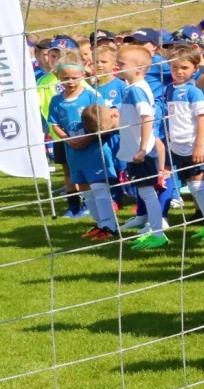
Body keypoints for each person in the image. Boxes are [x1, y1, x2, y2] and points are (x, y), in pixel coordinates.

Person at [48, 55, 118, 240]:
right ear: (58, 77)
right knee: (85, 189)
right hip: (73, 151)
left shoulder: (92, 96)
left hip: (94, 150)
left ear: (82, 75)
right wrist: (67, 139)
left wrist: (88, 138)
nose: (70, 81)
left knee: (99, 187)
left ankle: (110, 227)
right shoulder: (56, 100)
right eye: (65, 78)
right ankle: (100, 224)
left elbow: (104, 121)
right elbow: (54, 124)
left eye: (74, 77)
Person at [164, 43, 204, 241]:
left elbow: (201, 120)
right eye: (174, 67)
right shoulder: (169, 89)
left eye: (184, 67)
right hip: (179, 146)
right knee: (193, 187)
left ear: (195, 68)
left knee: (200, 186)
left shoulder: (194, 91)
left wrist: (199, 146)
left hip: (195, 146)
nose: (179, 71)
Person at [113, 42, 170, 251]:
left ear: (138, 68)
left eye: (121, 64)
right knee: (145, 193)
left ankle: (158, 234)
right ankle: (154, 230)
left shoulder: (137, 90)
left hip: (140, 152)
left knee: (147, 193)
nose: (117, 66)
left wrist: (143, 148)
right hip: (136, 150)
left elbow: (147, 117)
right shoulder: (133, 88)